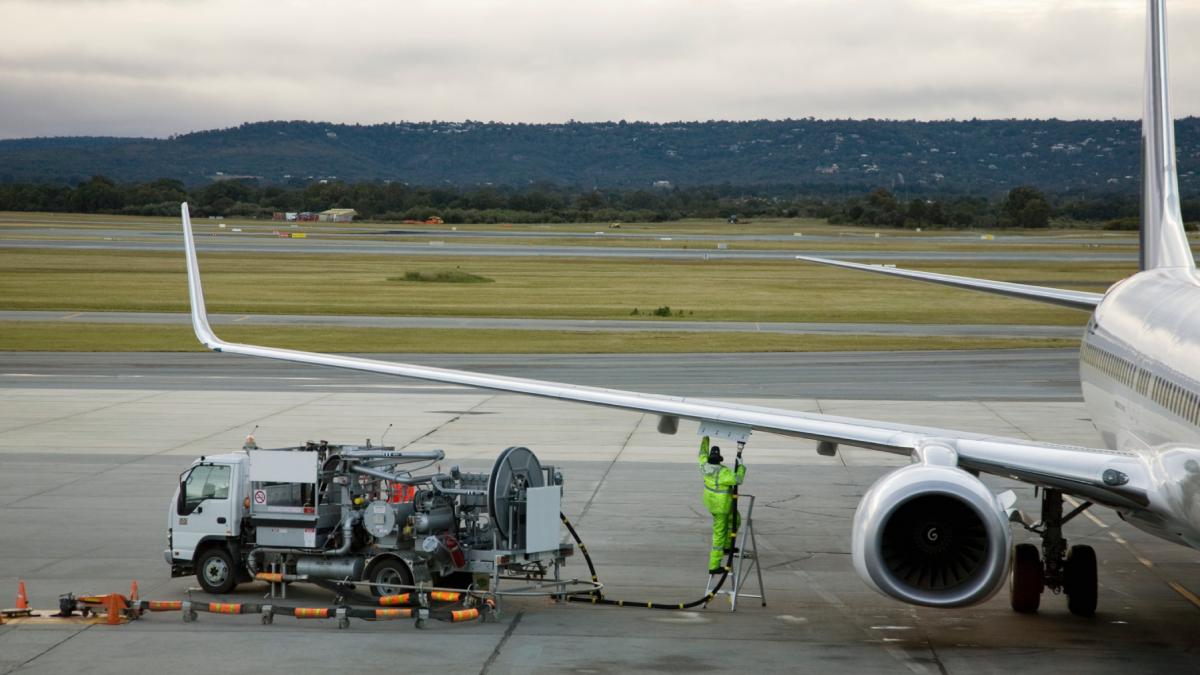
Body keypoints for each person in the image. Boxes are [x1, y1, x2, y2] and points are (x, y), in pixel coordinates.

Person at [698, 435, 746, 574]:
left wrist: (706, 437)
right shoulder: (723, 473)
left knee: (735, 519)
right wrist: (741, 465)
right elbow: (738, 479)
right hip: (721, 507)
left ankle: (727, 546)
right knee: (719, 533)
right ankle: (714, 565)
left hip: (712, 503)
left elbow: (702, 453)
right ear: (719, 460)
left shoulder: (704, 466)